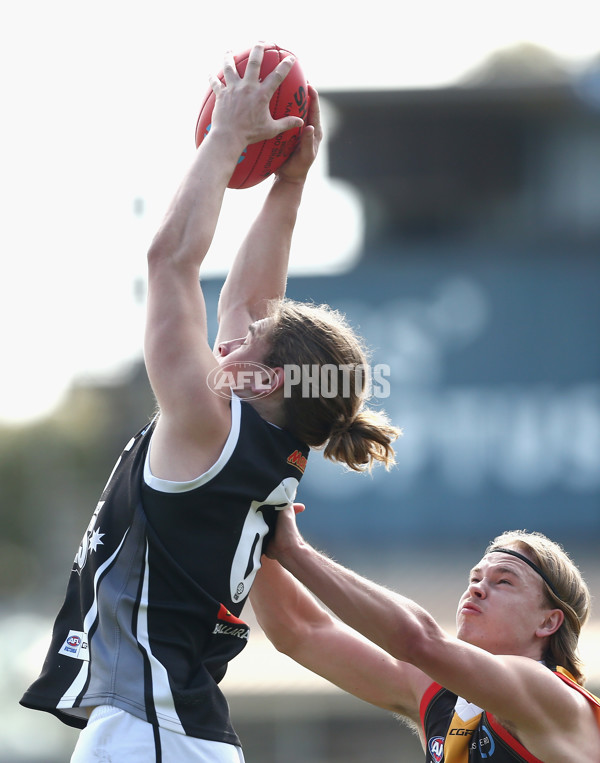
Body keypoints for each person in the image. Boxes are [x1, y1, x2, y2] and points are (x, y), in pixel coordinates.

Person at [20, 43, 399, 763]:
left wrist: (228, 133)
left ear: (272, 380)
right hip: (169, 733)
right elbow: (251, 301)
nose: (234, 332)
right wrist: (290, 181)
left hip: (152, 737)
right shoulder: (251, 436)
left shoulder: (211, 425)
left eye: (250, 339)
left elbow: (170, 262)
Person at [251, 507, 600, 762]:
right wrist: (253, 528)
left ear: (548, 622)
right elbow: (298, 630)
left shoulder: (550, 693)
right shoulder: (441, 695)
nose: (476, 590)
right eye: (475, 579)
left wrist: (292, 550)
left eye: (503, 581)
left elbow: (418, 641)